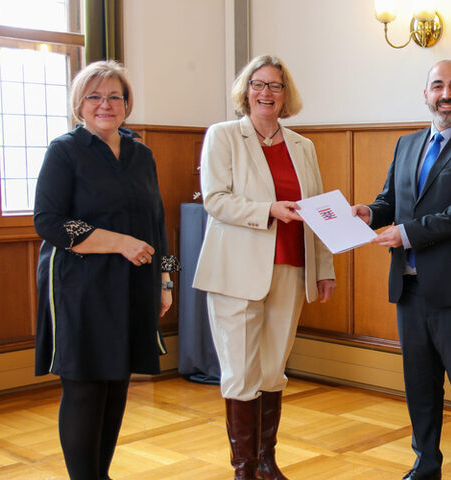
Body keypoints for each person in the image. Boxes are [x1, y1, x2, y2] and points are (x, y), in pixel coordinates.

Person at [352, 60, 451, 480]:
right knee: (420, 386)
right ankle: (426, 463)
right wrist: (369, 211)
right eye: (437, 85)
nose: (446, 94)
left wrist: (408, 233)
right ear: (425, 95)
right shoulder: (406, 144)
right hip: (410, 288)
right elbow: (391, 202)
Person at [192, 54, 336, 480]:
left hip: (292, 268)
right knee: (241, 372)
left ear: (285, 95)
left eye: (275, 86)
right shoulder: (223, 136)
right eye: (258, 84)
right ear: (245, 91)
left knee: (273, 370)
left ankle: (267, 461)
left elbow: (316, 209)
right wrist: (268, 209)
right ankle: (244, 469)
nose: (266, 93)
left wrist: (323, 267)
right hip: (235, 271)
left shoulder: (303, 146)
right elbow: (215, 200)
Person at [33, 60, 177, 480]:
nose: (105, 104)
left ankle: (101, 475)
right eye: (95, 96)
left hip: (133, 284)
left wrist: (166, 280)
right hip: (79, 286)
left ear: (127, 103)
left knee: (116, 383)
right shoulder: (65, 150)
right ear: (80, 103)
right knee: (85, 386)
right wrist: (119, 242)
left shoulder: (141, 153)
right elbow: (48, 221)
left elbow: (157, 221)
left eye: (115, 96)